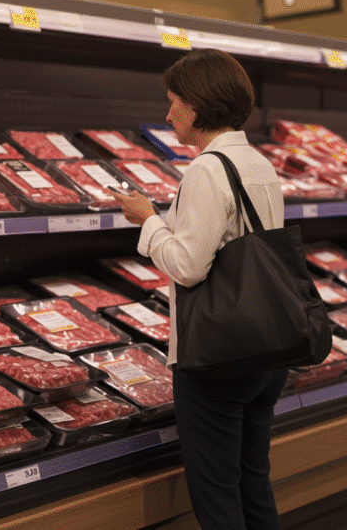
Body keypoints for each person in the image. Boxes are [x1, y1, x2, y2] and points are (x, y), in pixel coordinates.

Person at [113, 48, 287, 530]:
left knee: (216, 494)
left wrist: (148, 222)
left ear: (198, 104)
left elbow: (189, 267)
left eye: (174, 101)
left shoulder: (208, 170)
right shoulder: (258, 163)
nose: (168, 114)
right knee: (253, 479)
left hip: (220, 356)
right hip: (268, 343)